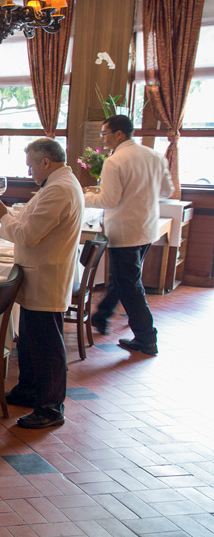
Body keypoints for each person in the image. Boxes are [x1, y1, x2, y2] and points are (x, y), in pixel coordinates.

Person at [0, 137, 83, 429]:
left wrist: (4, 215)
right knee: (30, 339)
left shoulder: (60, 189)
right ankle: (29, 390)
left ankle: (51, 407)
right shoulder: (55, 185)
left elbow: (29, 235)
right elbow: (33, 223)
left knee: (47, 345)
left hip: (48, 276)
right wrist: (11, 217)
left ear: (46, 161)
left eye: (31, 164)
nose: (29, 170)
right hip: (38, 272)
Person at [84, 115, 174, 356]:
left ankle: (146, 338)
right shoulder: (154, 156)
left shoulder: (115, 161)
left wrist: (82, 198)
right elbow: (167, 190)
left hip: (124, 231)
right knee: (125, 279)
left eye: (105, 134)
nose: (102, 139)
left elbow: (109, 200)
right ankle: (102, 315)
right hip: (147, 229)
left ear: (119, 134)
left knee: (130, 285)